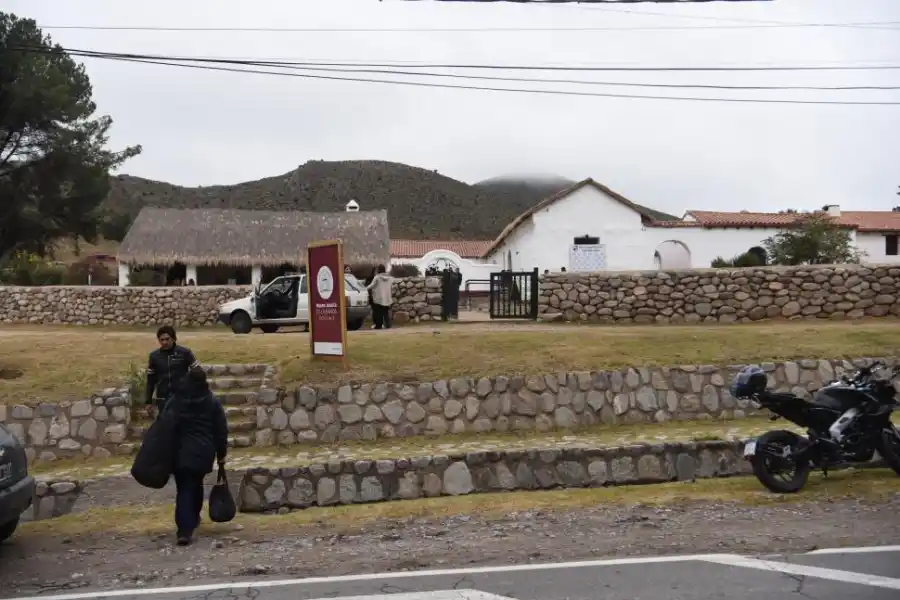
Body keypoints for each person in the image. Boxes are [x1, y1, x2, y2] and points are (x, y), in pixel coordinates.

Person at [169, 367, 228, 546]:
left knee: (184, 488)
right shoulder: (211, 402)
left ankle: (185, 528)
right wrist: (221, 454)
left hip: (180, 450)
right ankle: (191, 521)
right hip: (203, 451)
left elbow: (167, 424)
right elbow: (220, 430)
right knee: (195, 483)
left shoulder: (178, 400)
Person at [145, 326, 200, 415]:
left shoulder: (185, 353)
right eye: (161, 340)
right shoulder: (154, 356)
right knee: (166, 426)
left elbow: (198, 373)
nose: (164, 342)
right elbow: (150, 380)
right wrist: (148, 401)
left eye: (167, 339)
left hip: (182, 397)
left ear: (174, 338)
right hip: (163, 398)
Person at [366, 264, 393, 329]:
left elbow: (371, 286)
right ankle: (388, 325)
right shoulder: (390, 278)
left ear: (378, 270)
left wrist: (365, 288)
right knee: (386, 312)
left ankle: (378, 325)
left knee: (378, 312)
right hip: (387, 298)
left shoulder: (377, 277)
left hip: (378, 298)